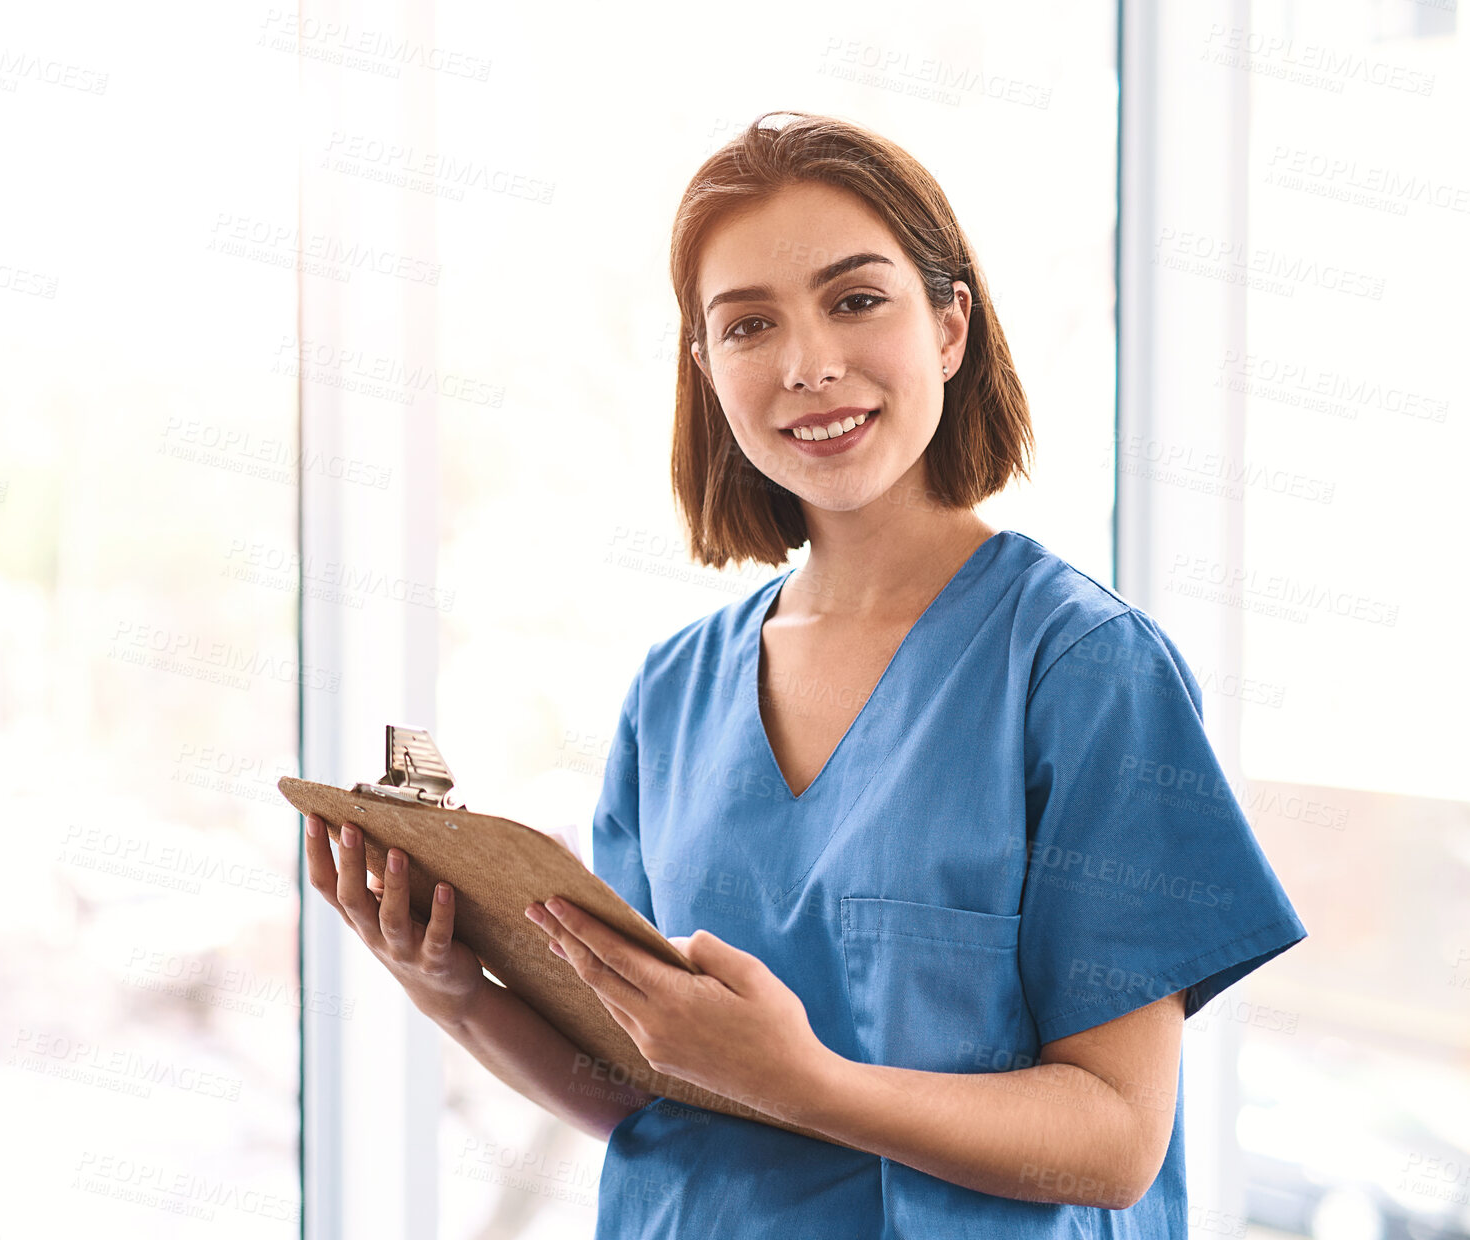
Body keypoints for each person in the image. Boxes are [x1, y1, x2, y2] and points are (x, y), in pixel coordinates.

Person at [303, 110, 1307, 1238]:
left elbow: (1116, 1140)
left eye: (857, 299)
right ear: (707, 371)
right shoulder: (674, 691)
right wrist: (452, 992)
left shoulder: (1083, 670)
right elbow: (650, 1086)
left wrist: (802, 1079)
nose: (808, 365)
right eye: (748, 327)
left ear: (950, 325)